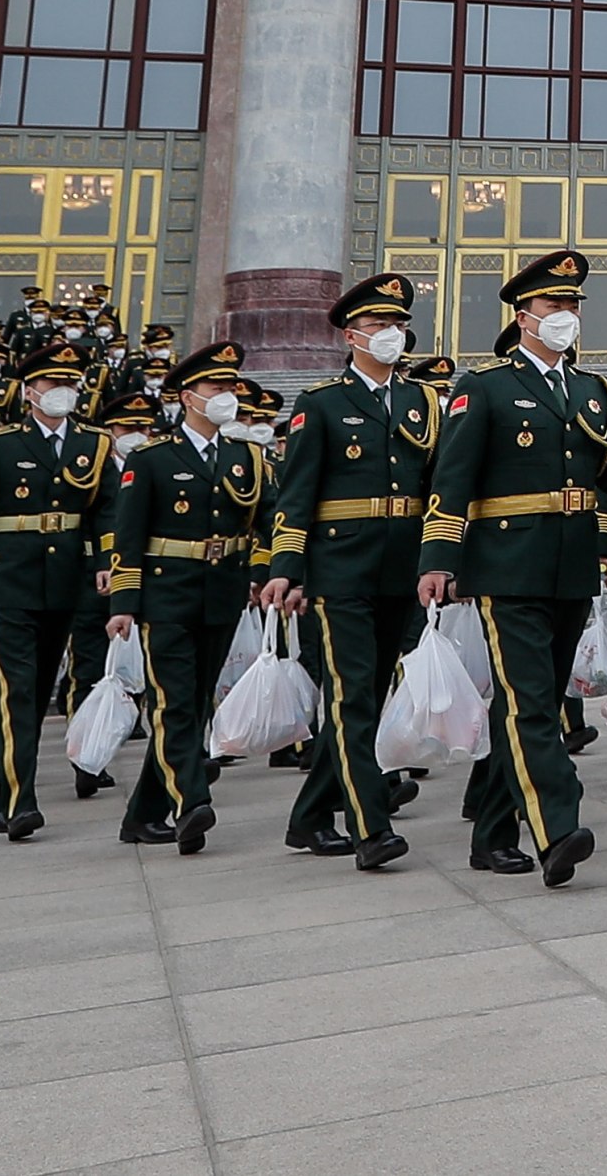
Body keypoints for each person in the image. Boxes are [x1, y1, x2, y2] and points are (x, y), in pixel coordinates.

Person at [421, 249, 607, 885]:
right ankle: (556, 828)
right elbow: (450, 480)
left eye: (572, 305)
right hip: (506, 564)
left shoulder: (592, 391)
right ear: (523, 315)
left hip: (570, 565)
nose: (565, 315)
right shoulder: (483, 388)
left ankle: (490, 834)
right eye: (553, 305)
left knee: (523, 704)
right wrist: (439, 557)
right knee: (530, 703)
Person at [256, 273, 432, 870]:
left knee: (367, 699)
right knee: (350, 697)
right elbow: (295, 496)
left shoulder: (422, 401)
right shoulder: (321, 404)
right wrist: (287, 567)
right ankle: (370, 825)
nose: (392, 334)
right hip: (340, 573)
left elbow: (437, 487)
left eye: (398, 324)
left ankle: (309, 816)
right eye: (380, 325)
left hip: (401, 569)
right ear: (352, 334)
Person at [0, 345, 119, 840]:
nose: (61, 390)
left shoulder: (94, 442)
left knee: (37, 692)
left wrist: (107, 562)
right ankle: (22, 801)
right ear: (28, 392)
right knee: (16, 692)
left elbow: (106, 510)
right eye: (50, 382)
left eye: (70, 381)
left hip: (66, 582)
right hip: (7, 582)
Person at [99, 341, 264, 852]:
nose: (227, 395)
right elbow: (128, 535)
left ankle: (141, 815)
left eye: (231, 386)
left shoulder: (246, 456)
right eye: (216, 386)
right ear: (188, 396)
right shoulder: (152, 458)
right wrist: (123, 603)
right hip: (165, 594)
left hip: (222, 591)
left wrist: (262, 574)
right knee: (172, 700)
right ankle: (191, 801)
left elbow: (264, 523)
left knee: (195, 703)